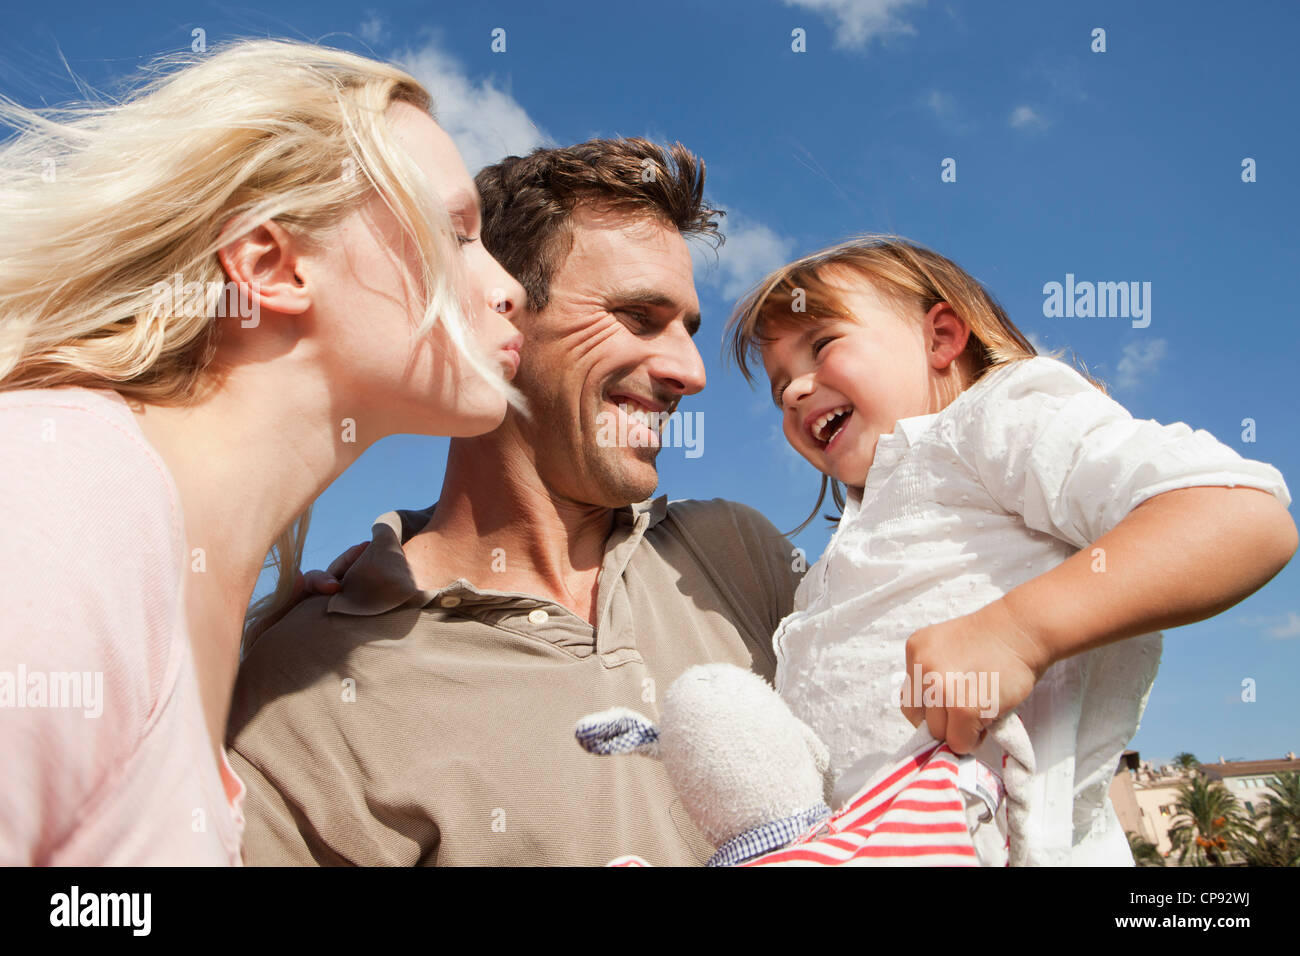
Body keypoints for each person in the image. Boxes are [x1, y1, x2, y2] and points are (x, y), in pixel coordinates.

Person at [0, 39, 524, 865]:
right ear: (269, 264)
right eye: (456, 233)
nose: (508, 287)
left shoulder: (165, 568)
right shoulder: (52, 496)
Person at [226, 138, 803, 866]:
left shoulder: (736, 554)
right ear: (497, 316)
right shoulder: (309, 678)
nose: (690, 371)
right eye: (638, 316)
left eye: (686, 328)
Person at [725, 235, 1297, 865]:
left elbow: (1238, 512)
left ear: (941, 338)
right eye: (779, 384)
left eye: (821, 345)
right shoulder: (837, 559)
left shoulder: (991, 421)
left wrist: (1016, 632)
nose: (793, 392)